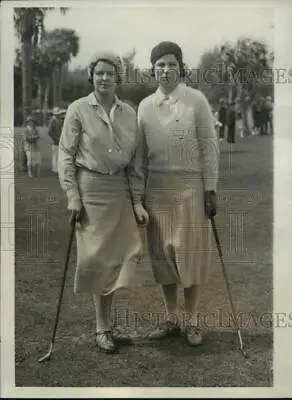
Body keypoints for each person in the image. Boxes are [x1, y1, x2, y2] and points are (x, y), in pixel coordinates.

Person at [58, 51, 148, 354]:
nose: (104, 78)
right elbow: (65, 156)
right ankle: (102, 328)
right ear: (91, 77)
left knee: (121, 257)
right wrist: (73, 196)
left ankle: (108, 325)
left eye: (110, 74)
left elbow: (136, 163)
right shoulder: (78, 109)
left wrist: (137, 201)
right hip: (91, 190)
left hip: (119, 192)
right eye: (99, 74)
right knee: (96, 260)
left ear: (118, 78)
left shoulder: (129, 113)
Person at [133, 41, 219, 346]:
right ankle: (171, 318)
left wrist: (210, 189)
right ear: (152, 70)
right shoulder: (144, 106)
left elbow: (209, 148)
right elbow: (140, 157)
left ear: (180, 67)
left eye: (171, 64)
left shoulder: (196, 100)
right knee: (163, 255)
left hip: (190, 188)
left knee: (189, 255)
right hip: (156, 189)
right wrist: (137, 195)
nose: (166, 70)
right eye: (160, 65)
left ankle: (193, 321)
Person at [48, 107, 65, 173]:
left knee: (59, 154)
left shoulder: (58, 120)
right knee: (55, 154)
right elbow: (50, 132)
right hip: (56, 140)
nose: (58, 115)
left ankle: (58, 167)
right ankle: (54, 168)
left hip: (60, 140)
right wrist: (55, 138)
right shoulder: (52, 121)